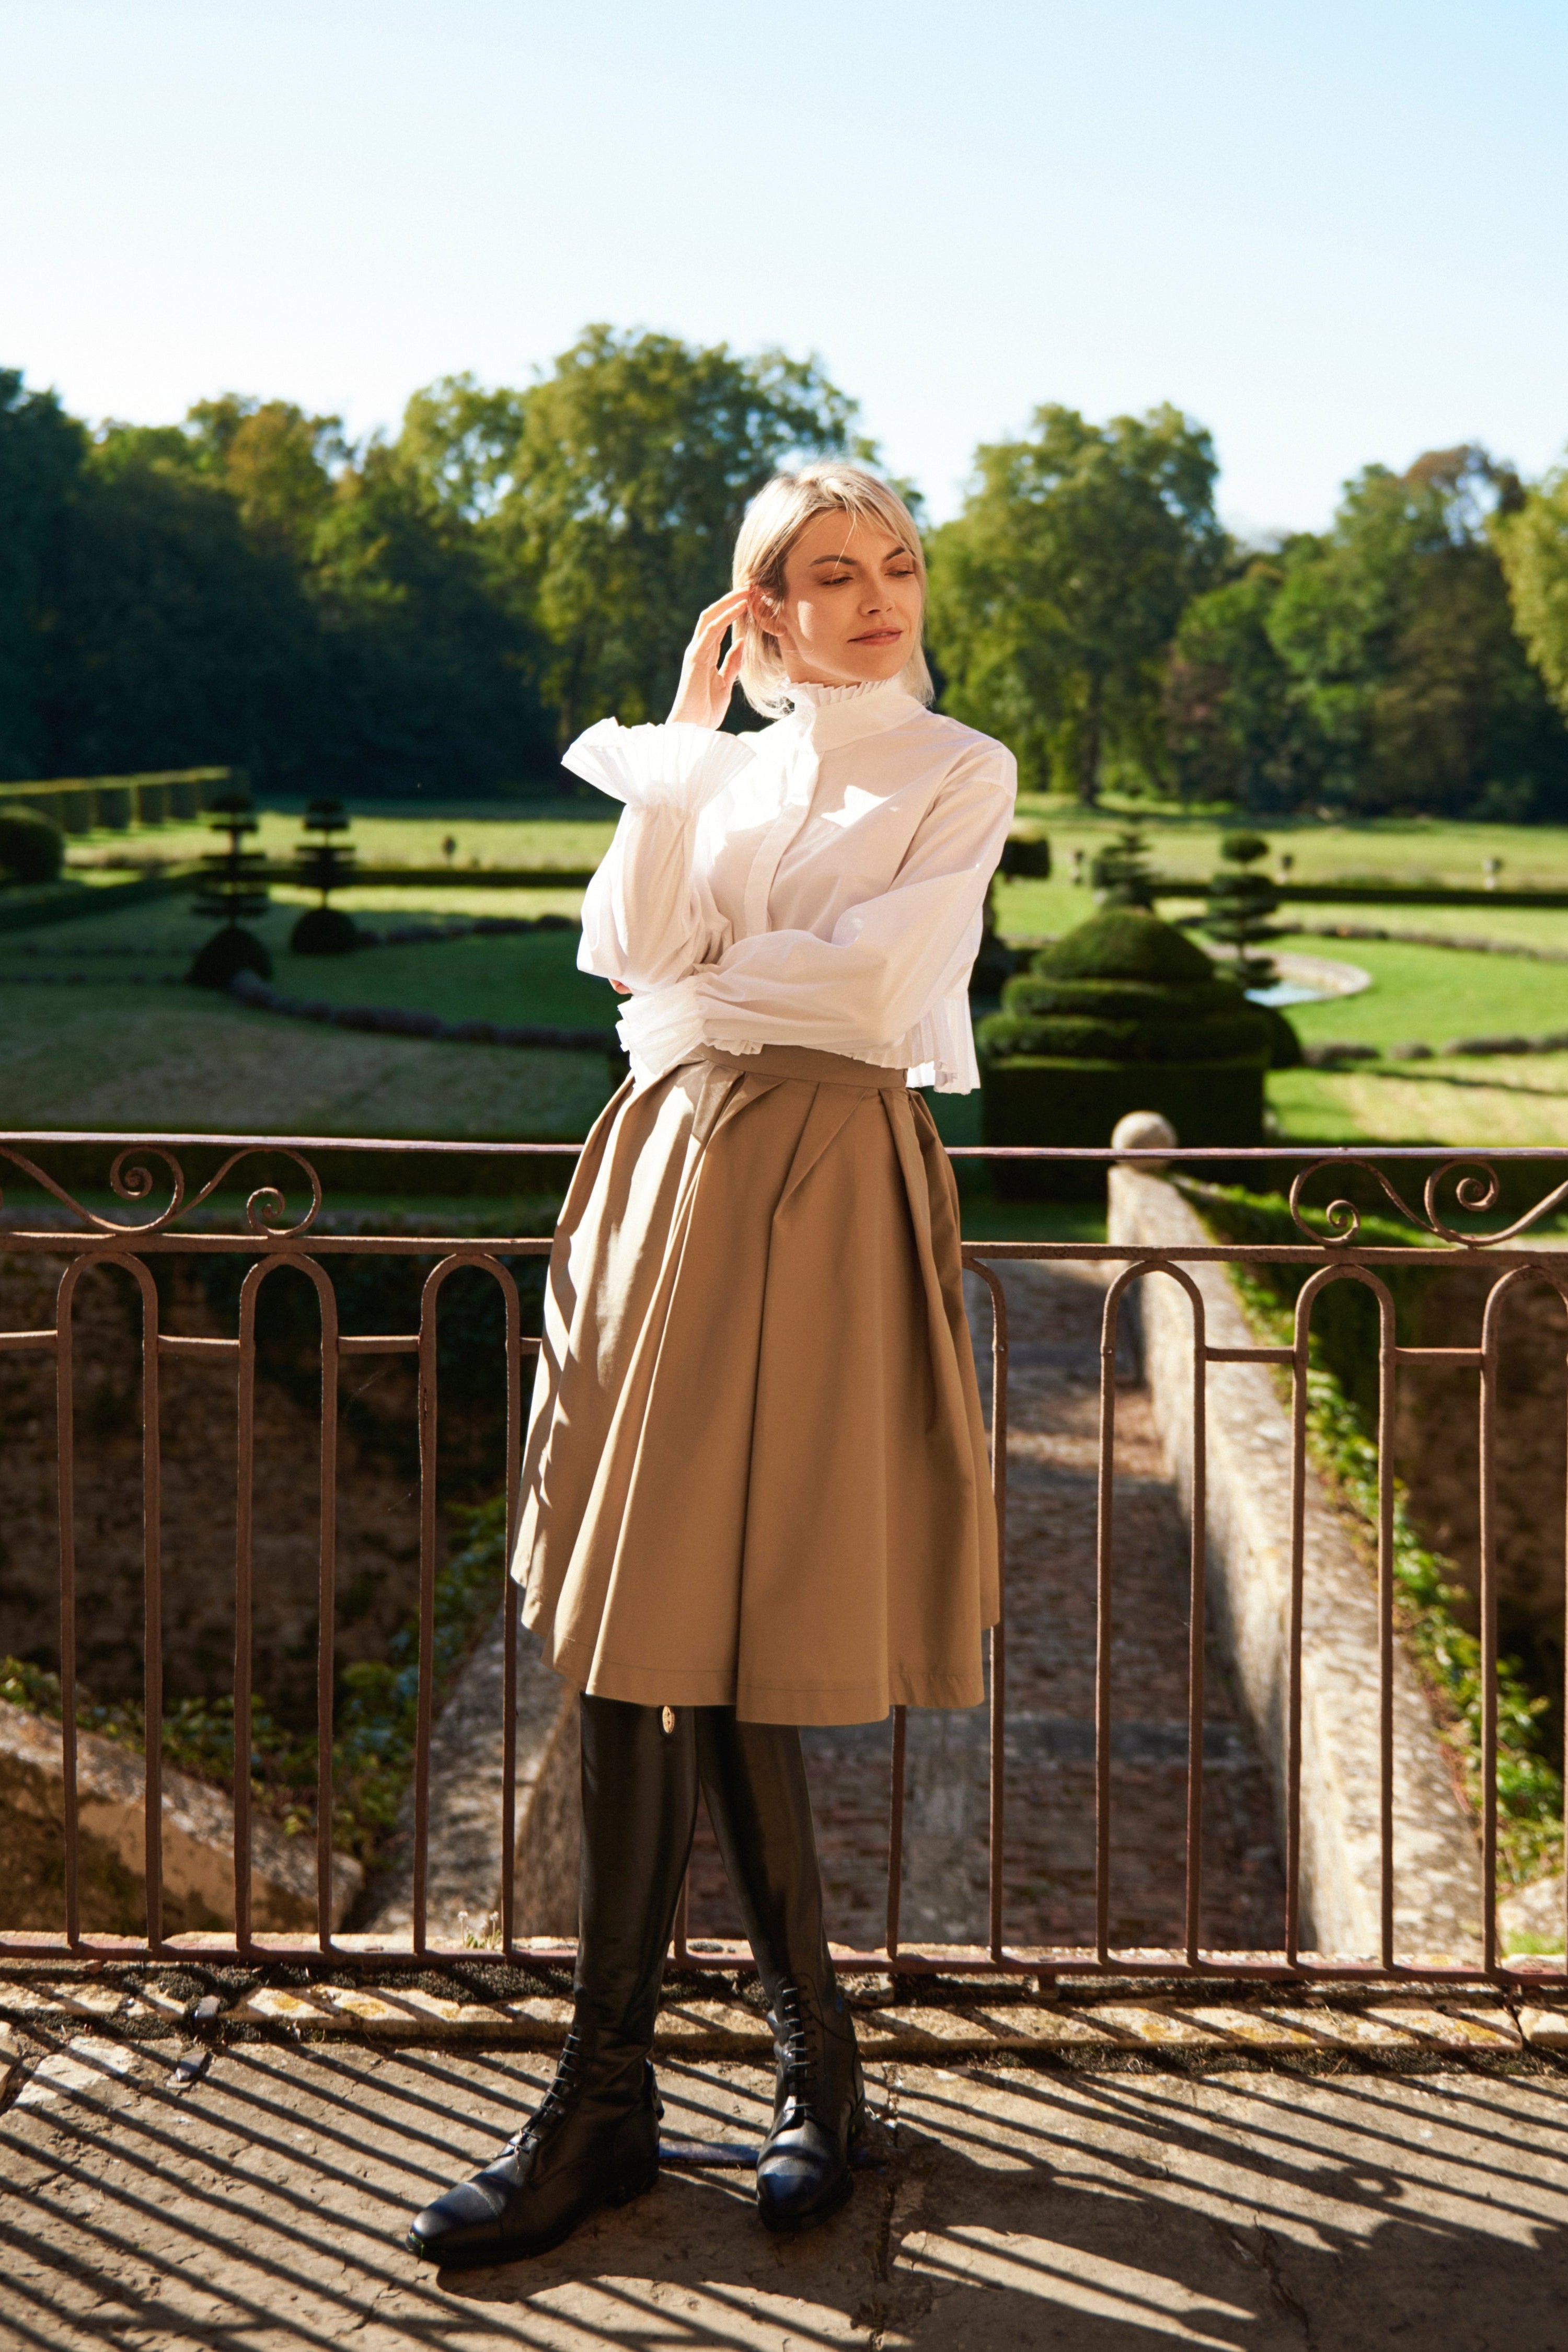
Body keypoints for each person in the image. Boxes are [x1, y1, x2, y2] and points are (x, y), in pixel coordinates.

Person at [408, 463, 1016, 2271]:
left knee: (738, 1638)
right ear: (763, 607)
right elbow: (627, 950)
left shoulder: (959, 771)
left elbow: (872, 986)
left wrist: (705, 995)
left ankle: (811, 2072)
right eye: (831, 572)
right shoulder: (724, 765)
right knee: (626, 1626)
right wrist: (685, 739)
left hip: (824, 1188)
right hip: (660, 1175)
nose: (879, 592)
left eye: (896, 563)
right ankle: (610, 2099)